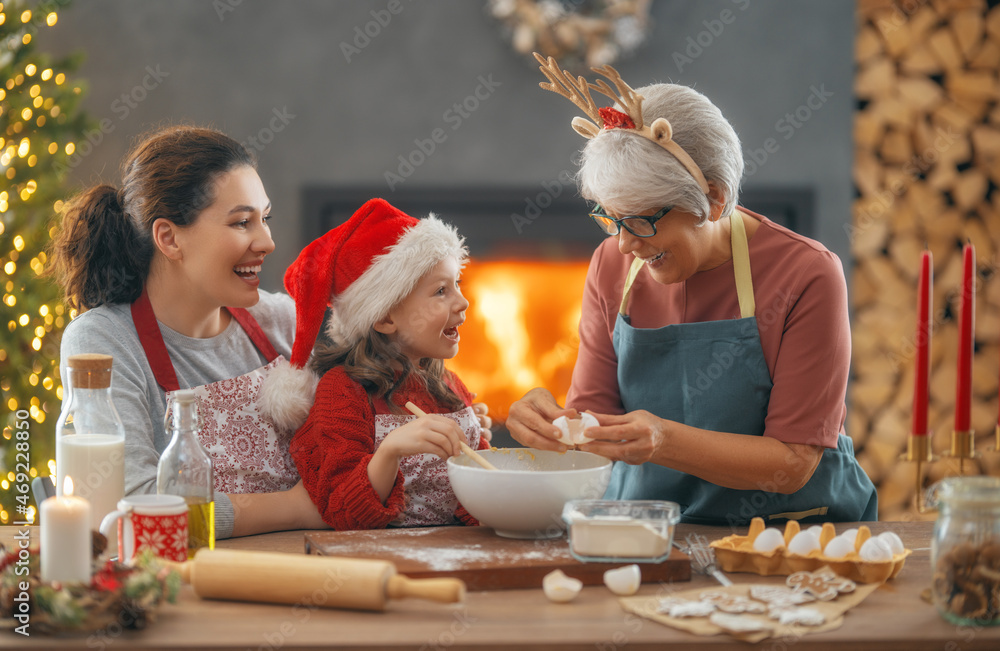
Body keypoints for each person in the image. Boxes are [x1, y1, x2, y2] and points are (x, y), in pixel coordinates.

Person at [507, 54, 877, 525]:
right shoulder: (612, 264)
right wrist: (552, 424)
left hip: (789, 535)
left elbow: (791, 464)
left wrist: (663, 440)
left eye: (641, 220)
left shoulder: (806, 274)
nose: (624, 243)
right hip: (650, 530)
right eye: (612, 219)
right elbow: (594, 422)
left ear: (714, 198)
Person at [51, 125, 327, 539]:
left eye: (264, 219)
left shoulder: (285, 320)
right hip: (189, 583)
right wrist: (295, 508)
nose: (267, 241)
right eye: (241, 223)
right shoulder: (102, 342)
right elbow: (135, 505)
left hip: (307, 571)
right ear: (169, 237)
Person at [269, 198, 490, 530]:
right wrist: (390, 452)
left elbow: (483, 482)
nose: (462, 301)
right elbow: (341, 510)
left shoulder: (449, 385)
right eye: (441, 291)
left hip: (457, 552)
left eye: (456, 284)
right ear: (385, 317)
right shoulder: (342, 392)